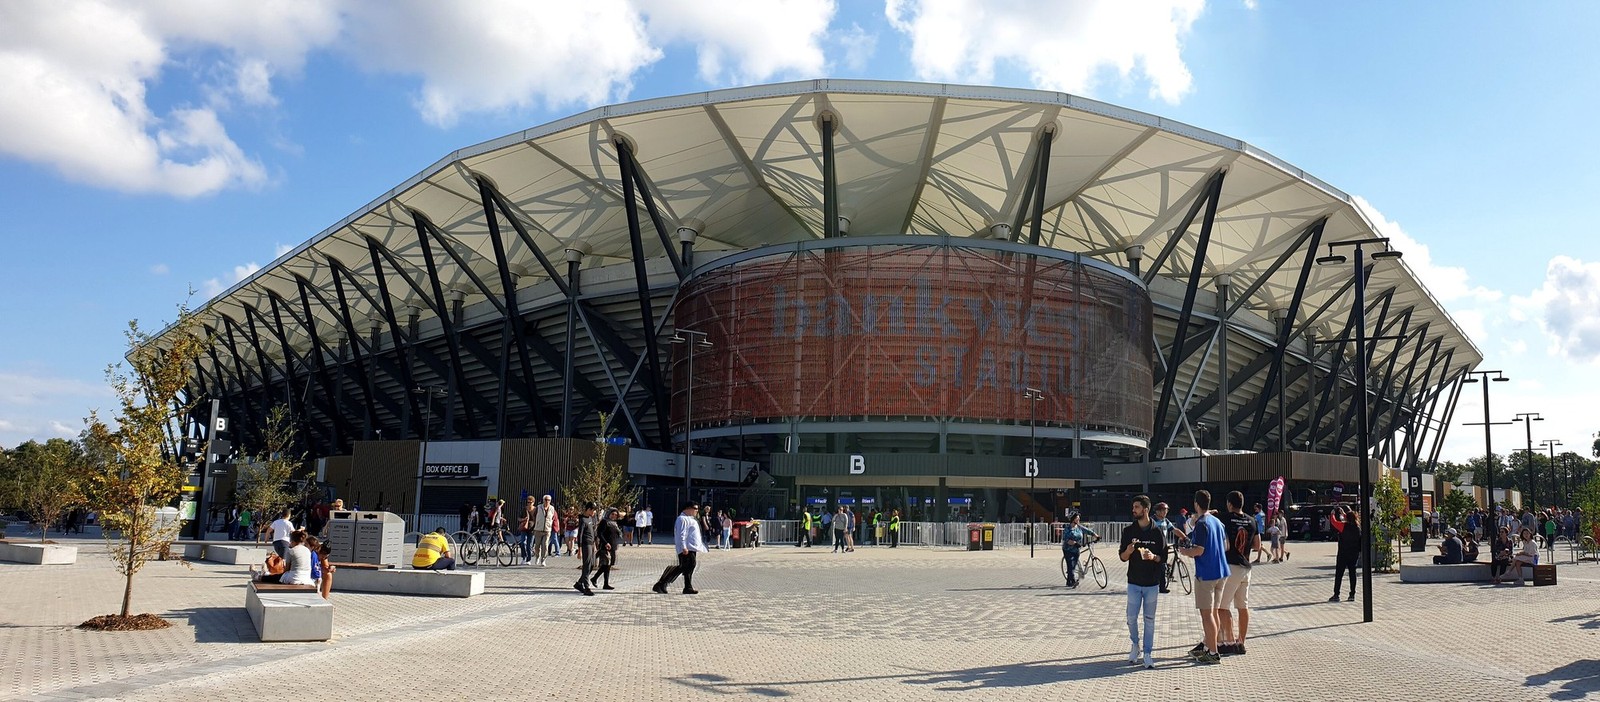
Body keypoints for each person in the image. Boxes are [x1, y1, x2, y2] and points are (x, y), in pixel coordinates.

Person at [1177, 490, 1228, 665]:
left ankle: (1213, 652)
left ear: (1196, 504)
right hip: (1222, 571)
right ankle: (1208, 645)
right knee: (1214, 613)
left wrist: (1185, 552)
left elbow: (1198, 550)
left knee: (1207, 615)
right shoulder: (1217, 522)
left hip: (1207, 573)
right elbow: (1226, 545)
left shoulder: (1202, 523)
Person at [1120, 495, 1166, 669]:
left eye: (1137, 507)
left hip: (1152, 584)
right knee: (1131, 618)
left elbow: (1163, 557)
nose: (1134, 510)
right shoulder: (1129, 531)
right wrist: (1129, 551)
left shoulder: (1157, 531)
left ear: (1145, 510)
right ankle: (1135, 645)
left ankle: (1147, 653)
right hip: (1134, 582)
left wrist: (1153, 557)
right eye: (1133, 507)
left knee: (1149, 619)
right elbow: (1122, 558)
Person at [1217, 491, 1258, 656]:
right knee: (1243, 606)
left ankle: (1229, 641)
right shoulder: (1252, 521)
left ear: (1229, 503)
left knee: (1222, 606)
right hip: (1246, 567)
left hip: (1230, 566)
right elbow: (1257, 544)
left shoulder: (1224, 519)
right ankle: (1241, 641)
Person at [653, 502, 707, 595]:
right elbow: (682, 534)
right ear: (688, 508)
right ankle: (662, 583)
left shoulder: (690, 519)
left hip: (692, 547)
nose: (696, 511)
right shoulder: (682, 519)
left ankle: (687, 587)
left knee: (688, 567)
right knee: (686, 566)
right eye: (695, 508)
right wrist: (683, 547)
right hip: (686, 548)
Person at [1329, 505, 1362, 602]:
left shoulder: (1343, 526)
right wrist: (1344, 513)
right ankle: (1352, 594)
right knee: (1352, 573)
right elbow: (1350, 518)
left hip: (1343, 553)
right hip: (1354, 553)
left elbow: (1334, 522)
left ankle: (1336, 594)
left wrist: (1332, 514)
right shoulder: (1358, 528)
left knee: (1339, 574)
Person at [1062, 513, 1098, 588]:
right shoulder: (1067, 529)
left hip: (1076, 550)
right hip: (1068, 550)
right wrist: (1074, 543)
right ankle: (1073, 581)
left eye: (1079, 518)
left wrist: (1096, 535)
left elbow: (1088, 531)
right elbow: (1066, 539)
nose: (1078, 520)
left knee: (1073, 566)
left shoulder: (1079, 527)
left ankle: (1069, 581)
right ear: (1073, 519)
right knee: (1071, 565)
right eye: (1077, 518)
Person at [590, 508, 622, 590]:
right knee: (606, 564)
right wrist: (605, 543)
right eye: (612, 514)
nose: (614, 516)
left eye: (615, 515)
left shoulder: (615, 523)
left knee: (608, 565)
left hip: (613, 546)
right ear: (609, 514)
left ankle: (604, 583)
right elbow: (600, 533)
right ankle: (595, 578)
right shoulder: (605, 522)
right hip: (605, 546)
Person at [1150, 503, 1178, 593]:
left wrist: (1184, 537)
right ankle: (1154, 586)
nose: (1165, 512)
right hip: (1153, 547)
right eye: (1163, 510)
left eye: (1166, 510)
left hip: (1163, 547)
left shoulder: (1165, 521)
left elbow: (1174, 530)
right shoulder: (1152, 521)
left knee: (1162, 567)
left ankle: (1162, 587)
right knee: (1156, 567)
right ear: (1158, 511)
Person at [573, 502, 598, 596]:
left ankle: (579, 583)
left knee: (591, 565)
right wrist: (579, 550)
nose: (594, 512)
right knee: (586, 565)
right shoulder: (583, 520)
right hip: (585, 544)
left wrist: (595, 544)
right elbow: (580, 535)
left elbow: (593, 532)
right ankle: (586, 587)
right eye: (593, 510)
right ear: (588, 510)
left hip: (591, 544)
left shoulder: (591, 519)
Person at [531, 495, 558, 566]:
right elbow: (534, 515)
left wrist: (553, 526)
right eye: (545, 500)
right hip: (538, 529)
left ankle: (543, 560)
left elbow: (554, 518)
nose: (547, 501)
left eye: (548, 500)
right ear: (543, 500)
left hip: (547, 529)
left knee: (545, 545)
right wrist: (537, 522)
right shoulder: (539, 507)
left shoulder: (552, 508)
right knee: (537, 546)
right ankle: (537, 557)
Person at [519, 495, 538, 565]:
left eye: (530, 502)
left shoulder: (536, 510)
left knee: (529, 545)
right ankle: (524, 557)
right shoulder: (525, 509)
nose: (529, 504)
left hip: (532, 529)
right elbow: (519, 518)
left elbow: (538, 519)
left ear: (533, 502)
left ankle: (528, 559)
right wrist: (524, 519)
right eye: (528, 502)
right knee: (522, 543)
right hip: (524, 528)